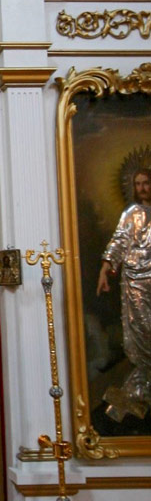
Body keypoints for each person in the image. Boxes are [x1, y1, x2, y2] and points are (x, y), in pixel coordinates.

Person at [96, 168, 151, 421]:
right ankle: (140, 388)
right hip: (135, 280)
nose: (142, 188)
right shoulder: (132, 214)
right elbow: (119, 242)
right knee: (141, 330)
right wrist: (105, 270)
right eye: (138, 184)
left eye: (146, 183)